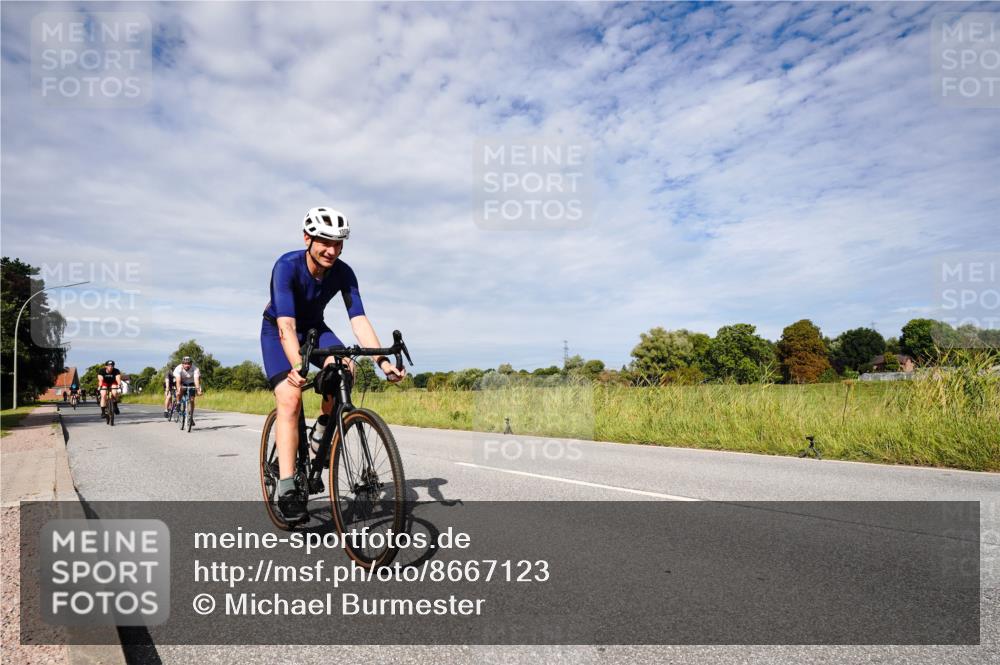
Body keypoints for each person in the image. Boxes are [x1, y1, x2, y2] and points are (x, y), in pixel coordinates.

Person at [261, 206, 405, 522]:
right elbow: (286, 326)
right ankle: (287, 487)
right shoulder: (286, 266)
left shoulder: (344, 272)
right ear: (307, 238)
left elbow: (359, 321)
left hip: (315, 327)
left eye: (338, 243)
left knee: (346, 368)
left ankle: (319, 436)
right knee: (290, 397)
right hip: (279, 330)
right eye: (325, 241)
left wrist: (382, 362)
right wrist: (298, 367)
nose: (332, 250)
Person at [172, 356, 203, 424]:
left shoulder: (195, 369)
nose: (187, 365)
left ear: (191, 364)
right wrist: (178, 389)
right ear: (182, 364)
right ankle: (178, 403)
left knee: (192, 400)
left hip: (191, 383)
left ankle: (190, 417)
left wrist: (198, 390)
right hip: (182, 382)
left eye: (188, 363)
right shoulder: (178, 368)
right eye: (185, 364)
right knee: (179, 391)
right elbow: (178, 380)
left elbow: (196, 380)